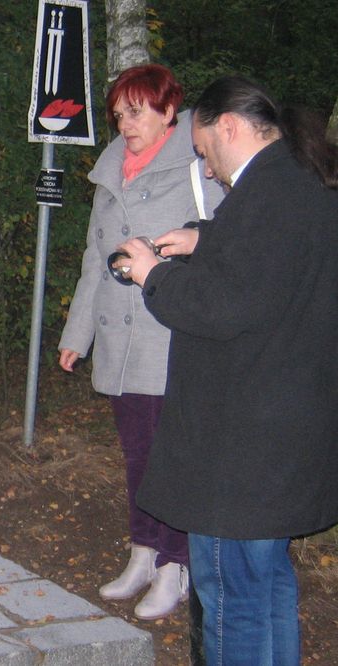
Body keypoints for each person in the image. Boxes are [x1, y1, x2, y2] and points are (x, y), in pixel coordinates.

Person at [116, 76, 338, 664]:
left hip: (242, 445)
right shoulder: (300, 184)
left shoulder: (266, 196)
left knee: (228, 593)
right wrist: (201, 238)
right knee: (267, 585)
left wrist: (151, 275)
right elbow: (266, 269)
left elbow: (226, 307)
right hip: (288, 431)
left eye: (203, 147)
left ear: (229, 127)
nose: (206, 166)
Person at [58, 63, 224, 620]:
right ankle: (143, 553)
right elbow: (92, 261)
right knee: (136, 456)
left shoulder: (199, 170)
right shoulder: (109, 175)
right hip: (115, 336)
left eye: (136, 111)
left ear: (168, 111)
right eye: (119, 114)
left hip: (169, 334)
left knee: (167, 455)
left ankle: (175, 566)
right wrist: (77, 334)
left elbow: (227, 242)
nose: (125, 124)